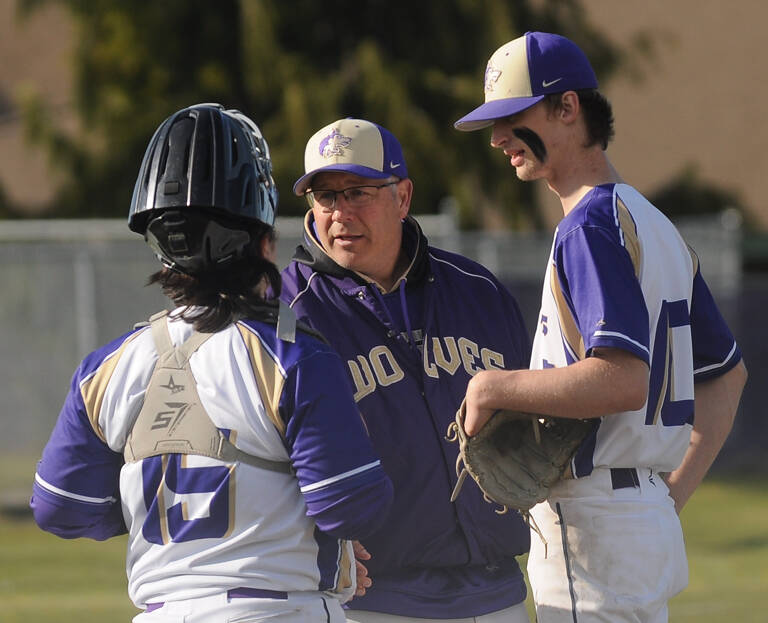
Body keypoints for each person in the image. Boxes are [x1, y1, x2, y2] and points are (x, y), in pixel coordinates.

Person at [30, 103, 394, 623]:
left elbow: (60, 508)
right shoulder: (292, 356)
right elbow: (352, 505)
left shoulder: (106, 367)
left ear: (159, 246)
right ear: (261, 237)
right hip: (279, 611)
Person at [454, 32, 748, 623]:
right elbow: (728, 375)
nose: (498, 137)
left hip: (592, 526)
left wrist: (492, 387)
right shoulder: (653, 223)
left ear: (568, 107)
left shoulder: (588, 226)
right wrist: (671, 493)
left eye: (513, 115)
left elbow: (621, 378)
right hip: (637, 521)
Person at [280, 117, 533, 623]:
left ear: (402, 196)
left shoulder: (477, 291)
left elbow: (538, 418)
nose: (339, 213)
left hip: (497, 588)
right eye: (324, 197)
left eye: (357, 192)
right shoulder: (287, 310)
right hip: (370, 600)